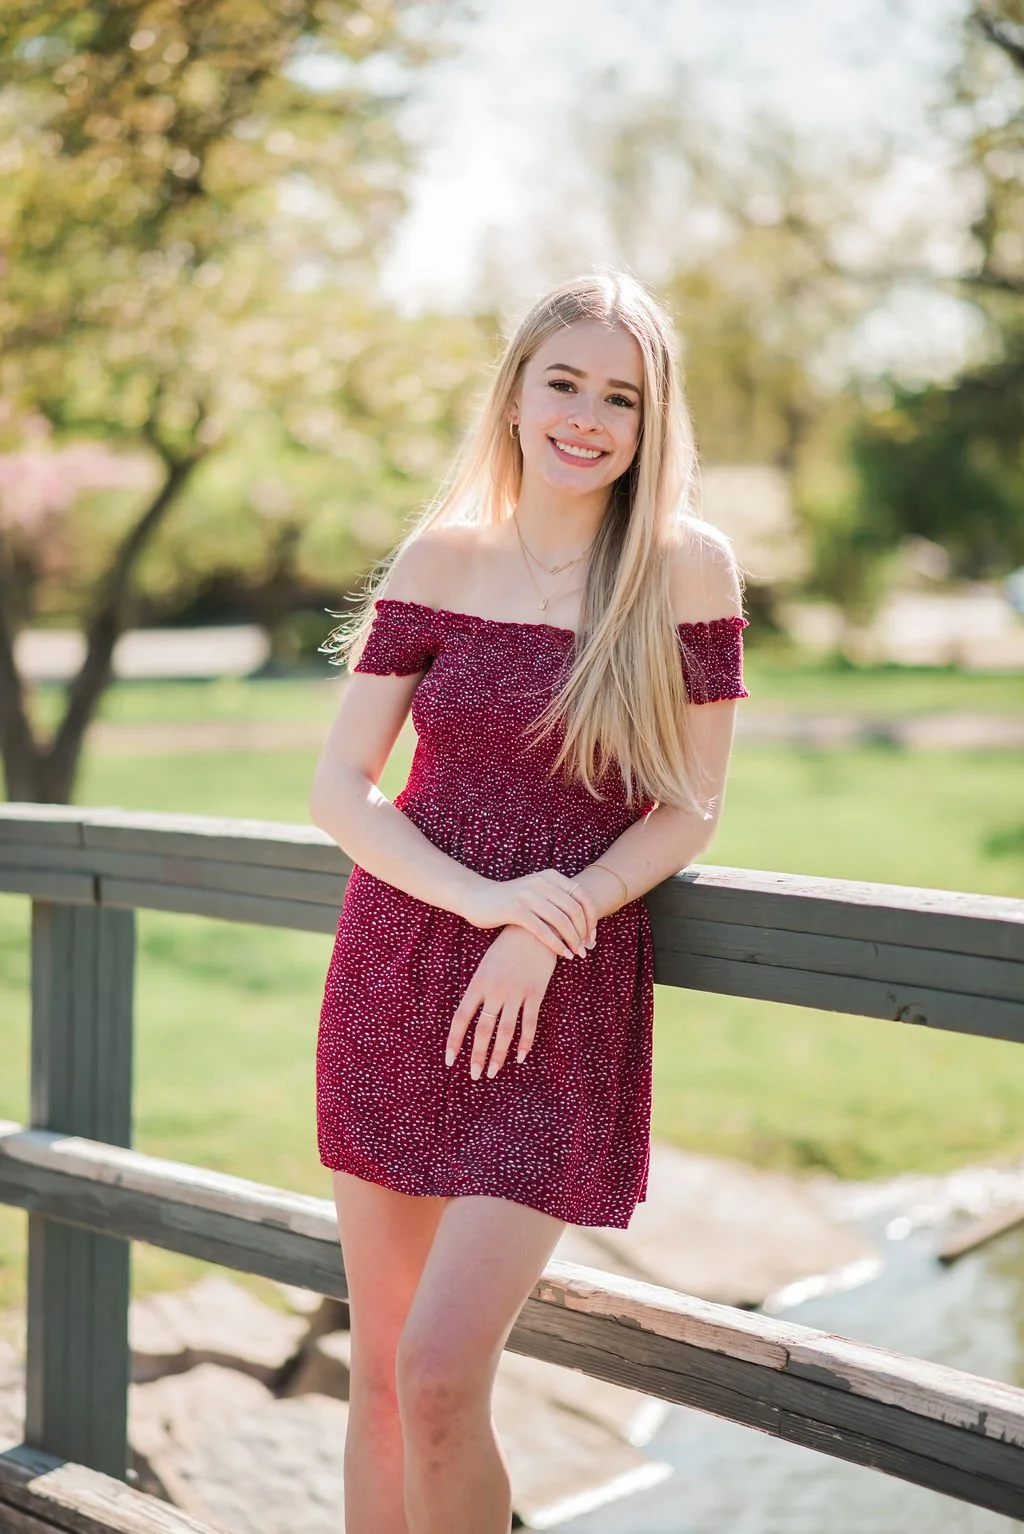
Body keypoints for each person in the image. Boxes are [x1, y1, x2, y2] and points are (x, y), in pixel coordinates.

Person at [308, 271, 748, 1534]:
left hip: (560, 998)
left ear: (651, 420)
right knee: (384, 1376)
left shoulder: (686, 571)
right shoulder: (440, 554)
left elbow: (692, 806)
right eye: (564, 382)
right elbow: (343, 788)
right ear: (515, 391)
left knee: (444, 1377)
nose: (587, 417)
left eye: (621, 395)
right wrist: (490, 904)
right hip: (401, 975)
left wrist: (548, 923)